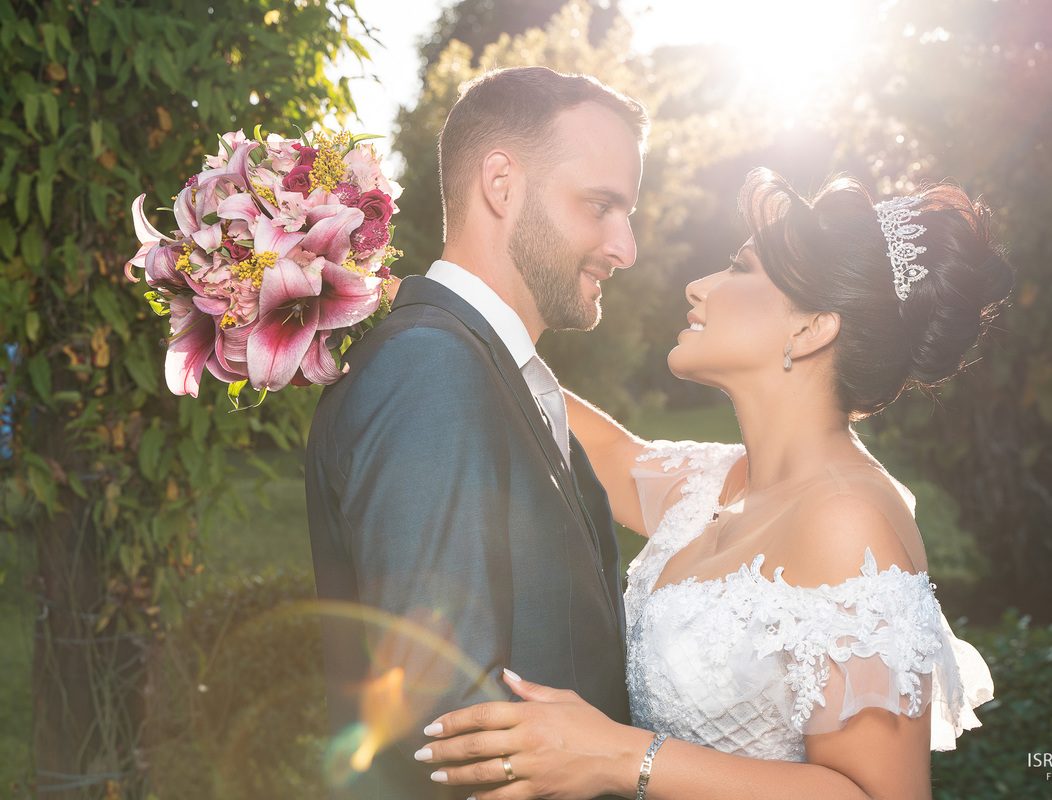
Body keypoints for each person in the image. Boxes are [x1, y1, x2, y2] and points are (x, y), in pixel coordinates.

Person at [415, 169, 1010, 799]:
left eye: (739, 268)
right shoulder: (714, 483)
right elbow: (603, 447)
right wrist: (417, 317)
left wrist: (619, 757)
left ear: (811, 328)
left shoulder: (846, 521)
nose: (698, 287)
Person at [305, 66, 648, 797]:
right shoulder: (429, 367)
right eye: (601, 206)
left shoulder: (481, 365)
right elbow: (447, 723)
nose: (626, 247)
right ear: (502, 183)